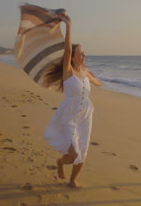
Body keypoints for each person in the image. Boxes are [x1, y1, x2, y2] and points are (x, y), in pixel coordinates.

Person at [43, 13, 103, 189]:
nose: (83, 56)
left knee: (82, 151)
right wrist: (68, 24)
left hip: (86, 114)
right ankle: (61, 162)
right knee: (72, 153)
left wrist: (97, 80)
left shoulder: (85, 72)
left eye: (84, 54)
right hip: (69, 114)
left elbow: (98, 83)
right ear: (73, 56)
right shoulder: (68, 71)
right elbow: (67, 49)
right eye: (80, 54)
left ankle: (72, 180)